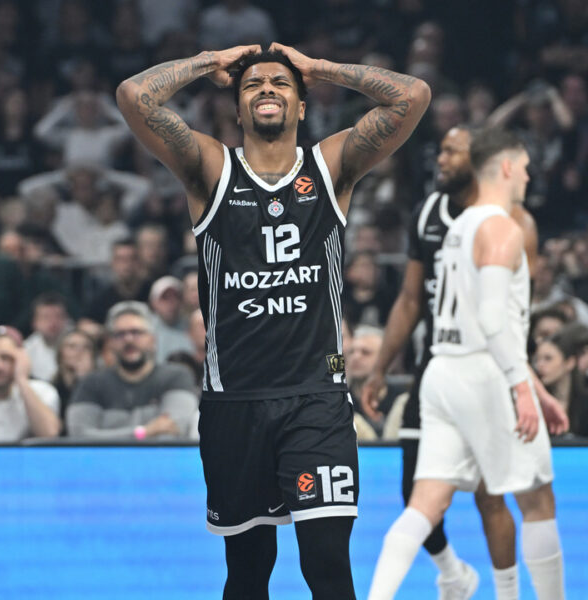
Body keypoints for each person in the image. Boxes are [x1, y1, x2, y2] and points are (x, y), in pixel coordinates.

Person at [117, 42, 431, 597]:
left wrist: (320, 68)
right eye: (253, 85)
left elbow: (413, 96)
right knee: (248, 570)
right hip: (234, 401)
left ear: (303, 107)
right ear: (237, 109)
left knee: (328, 562)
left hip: (317, 396)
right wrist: (206, 61)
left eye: (281, 85)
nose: (267, 89)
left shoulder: (329, 166)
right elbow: (134, 96)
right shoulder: (213, 168)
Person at [362, 125, 570, 598]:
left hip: (441, 368)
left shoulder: (458, 226)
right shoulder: (501, 228)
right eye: (526, 167)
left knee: (423, 505)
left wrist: (534, 387)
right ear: (506, 167)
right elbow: (497, 323)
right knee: (537, 500)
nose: (530, 176)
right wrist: (523, 387)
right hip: (486, 373)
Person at [66, 301, 197, 440]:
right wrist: (143, 432)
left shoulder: (176, 376)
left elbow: (173, 432)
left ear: (153, 339)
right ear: (110, 342)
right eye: (120, 334)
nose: (128, 339)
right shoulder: (91, 383)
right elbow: (80, 437)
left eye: (136, 332)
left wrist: (106, 435)